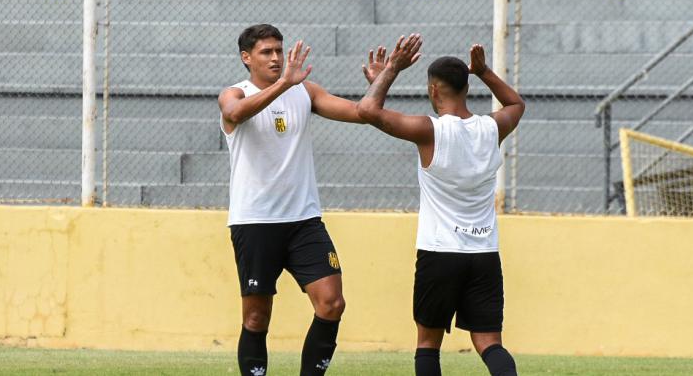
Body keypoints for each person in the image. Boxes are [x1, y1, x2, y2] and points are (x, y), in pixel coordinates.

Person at [218, 24, 383, 376]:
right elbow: (234, 114)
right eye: (267, 52)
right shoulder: (235, 93)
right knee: (257, 316)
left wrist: (380, 82)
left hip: (304, 222)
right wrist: (283, 85)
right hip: (255, 222)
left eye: (279, 50)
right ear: (247, 58)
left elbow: (361, 113)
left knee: (331, 303)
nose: (276, 57)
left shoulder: (305, 92)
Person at [357, 34, 525, 376]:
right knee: (490, 343)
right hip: (483, 253)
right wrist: (485, 71)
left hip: (439, 253)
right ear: (467, 86)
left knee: (428, 344)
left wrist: (390, 71)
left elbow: (367, 110)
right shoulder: (491, 128)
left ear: (434, 90)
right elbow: (516, 105)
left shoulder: (428, 130)